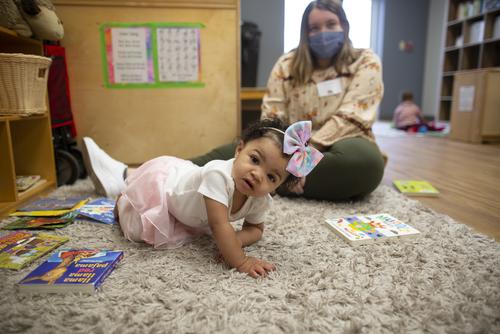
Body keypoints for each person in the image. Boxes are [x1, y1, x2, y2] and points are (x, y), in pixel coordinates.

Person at [192, 0, 386, 201]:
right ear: (305, 33)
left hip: (343, 141)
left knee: (367, 164)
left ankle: (268, 179)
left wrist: (303, 161)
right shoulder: (286, 64)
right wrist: (287, 158)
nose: (323, 32)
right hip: (284, 148)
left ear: (344, 27)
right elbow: (273, 115)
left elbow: (351, 116)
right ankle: (273, 179)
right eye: (314, 28)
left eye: (330, 24)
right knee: (238, 151)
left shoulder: (365, 61)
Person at [82, 119, 323, 278]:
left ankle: (121, 178)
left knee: (194, 231)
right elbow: (219, 226)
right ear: (239, 150)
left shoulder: (261, 199)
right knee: (136, 227)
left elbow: (256, 228)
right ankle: (123, 193)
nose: (257, 175)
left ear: (278, 185)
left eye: (271, 177)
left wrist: (237, 238)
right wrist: (242, 261)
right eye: (255, 160)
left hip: (191, 212)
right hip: (167, 186)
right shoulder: (218, 175)